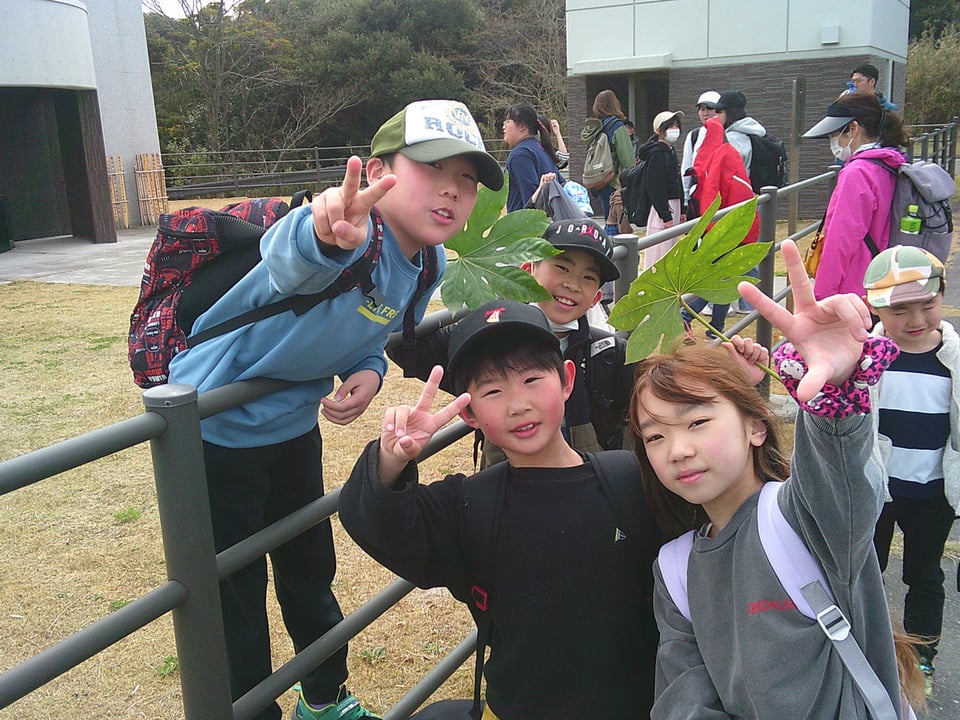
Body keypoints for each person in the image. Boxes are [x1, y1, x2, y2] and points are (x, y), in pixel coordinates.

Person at [166, 99, 503, 720]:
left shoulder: (427, 261)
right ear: (377, 172)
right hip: (217, 431)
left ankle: (323, 700)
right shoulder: (349, 231)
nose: (452, 191)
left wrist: (369, 370)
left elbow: (375, 330)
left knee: (310, 569)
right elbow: (293, 255)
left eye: (467, 179)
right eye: (433, 170)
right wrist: (323, 232)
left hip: (293, 426)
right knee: (235, 589)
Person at [340, 300, 661, 720]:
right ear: (469, 412)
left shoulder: (632, 480)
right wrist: (391, 459)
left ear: (567, 380)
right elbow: (377, 523)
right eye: (493, 391)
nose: (517, 404)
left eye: (531, 379)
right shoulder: (471, 505)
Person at [632, 238, 905, 719]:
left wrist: (835, 390)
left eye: (698, 422)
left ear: (756, 427)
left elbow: (839, 474)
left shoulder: (807, 518)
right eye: (655, 436)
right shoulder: (675, 570)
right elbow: (684, 698)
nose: (678, 450)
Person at [387, 218, 634, 468]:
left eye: (588, 277)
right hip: (508, 483)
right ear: (527, 270)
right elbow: (402, 343)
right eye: (562, 267)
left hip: (590, 480)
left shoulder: (610, 353)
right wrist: (419, 262)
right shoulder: (484, 339)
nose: (572, 284)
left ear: (597, 298)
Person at [864, 245, 960, 695]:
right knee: (867, 570)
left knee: (924, 574)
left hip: (934, 491)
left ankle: (922, 658)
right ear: (875, 308)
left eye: (927, 304)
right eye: (899, 310)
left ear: (943, 295)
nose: (916, 319)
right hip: (878, 488)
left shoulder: (954, 359)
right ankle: (869, 647)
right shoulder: (868, 358)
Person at [802, 92, 909, 300]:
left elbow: (840, 242)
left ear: (853, 128)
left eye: (835, 134)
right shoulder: (889, 163)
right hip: (883, 279)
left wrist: (823, 296)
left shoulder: (857, 172)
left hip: (855, 290)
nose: (833, 142)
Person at [681, 115, 759, 336]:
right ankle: (694, 319)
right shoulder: (726, 154)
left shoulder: (712, 156)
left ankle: (713, 326)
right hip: (728, 226)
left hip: (716, 224)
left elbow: (709, 192)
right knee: (723, 278)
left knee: (722, 277)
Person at [636, 110, 687, 269]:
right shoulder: (657, 153)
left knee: (670, 246)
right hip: (663, 208)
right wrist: (665, 214)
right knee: (660, 249)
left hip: (673, 206)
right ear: (659, 130)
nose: (674, 130)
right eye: (670, 126)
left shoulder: (670, 151)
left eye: (676, 126)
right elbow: (655, 186)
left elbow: (677, 182)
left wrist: (682, 208)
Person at [582, 89, 635, 219]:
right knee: (616, 221)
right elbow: (628, 161)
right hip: (613, 181)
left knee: (609, 217)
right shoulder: (616, 126)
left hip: (599, 179)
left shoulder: (595, 127)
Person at [503, 104, 563, 213]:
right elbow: (561, 183)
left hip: (527, 222)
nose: (504, 127)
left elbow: (530, 202)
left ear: (522, 126)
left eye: (507, 122)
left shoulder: (521, 155)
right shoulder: (541, 149)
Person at [681, 90, 721, 212]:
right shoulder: (694, 135)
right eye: (702, 109)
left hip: (720, 193)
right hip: (698, 194)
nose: (705, 113)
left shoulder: (727, 133)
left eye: (710, 108)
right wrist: (685, 198)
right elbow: (686, 167)